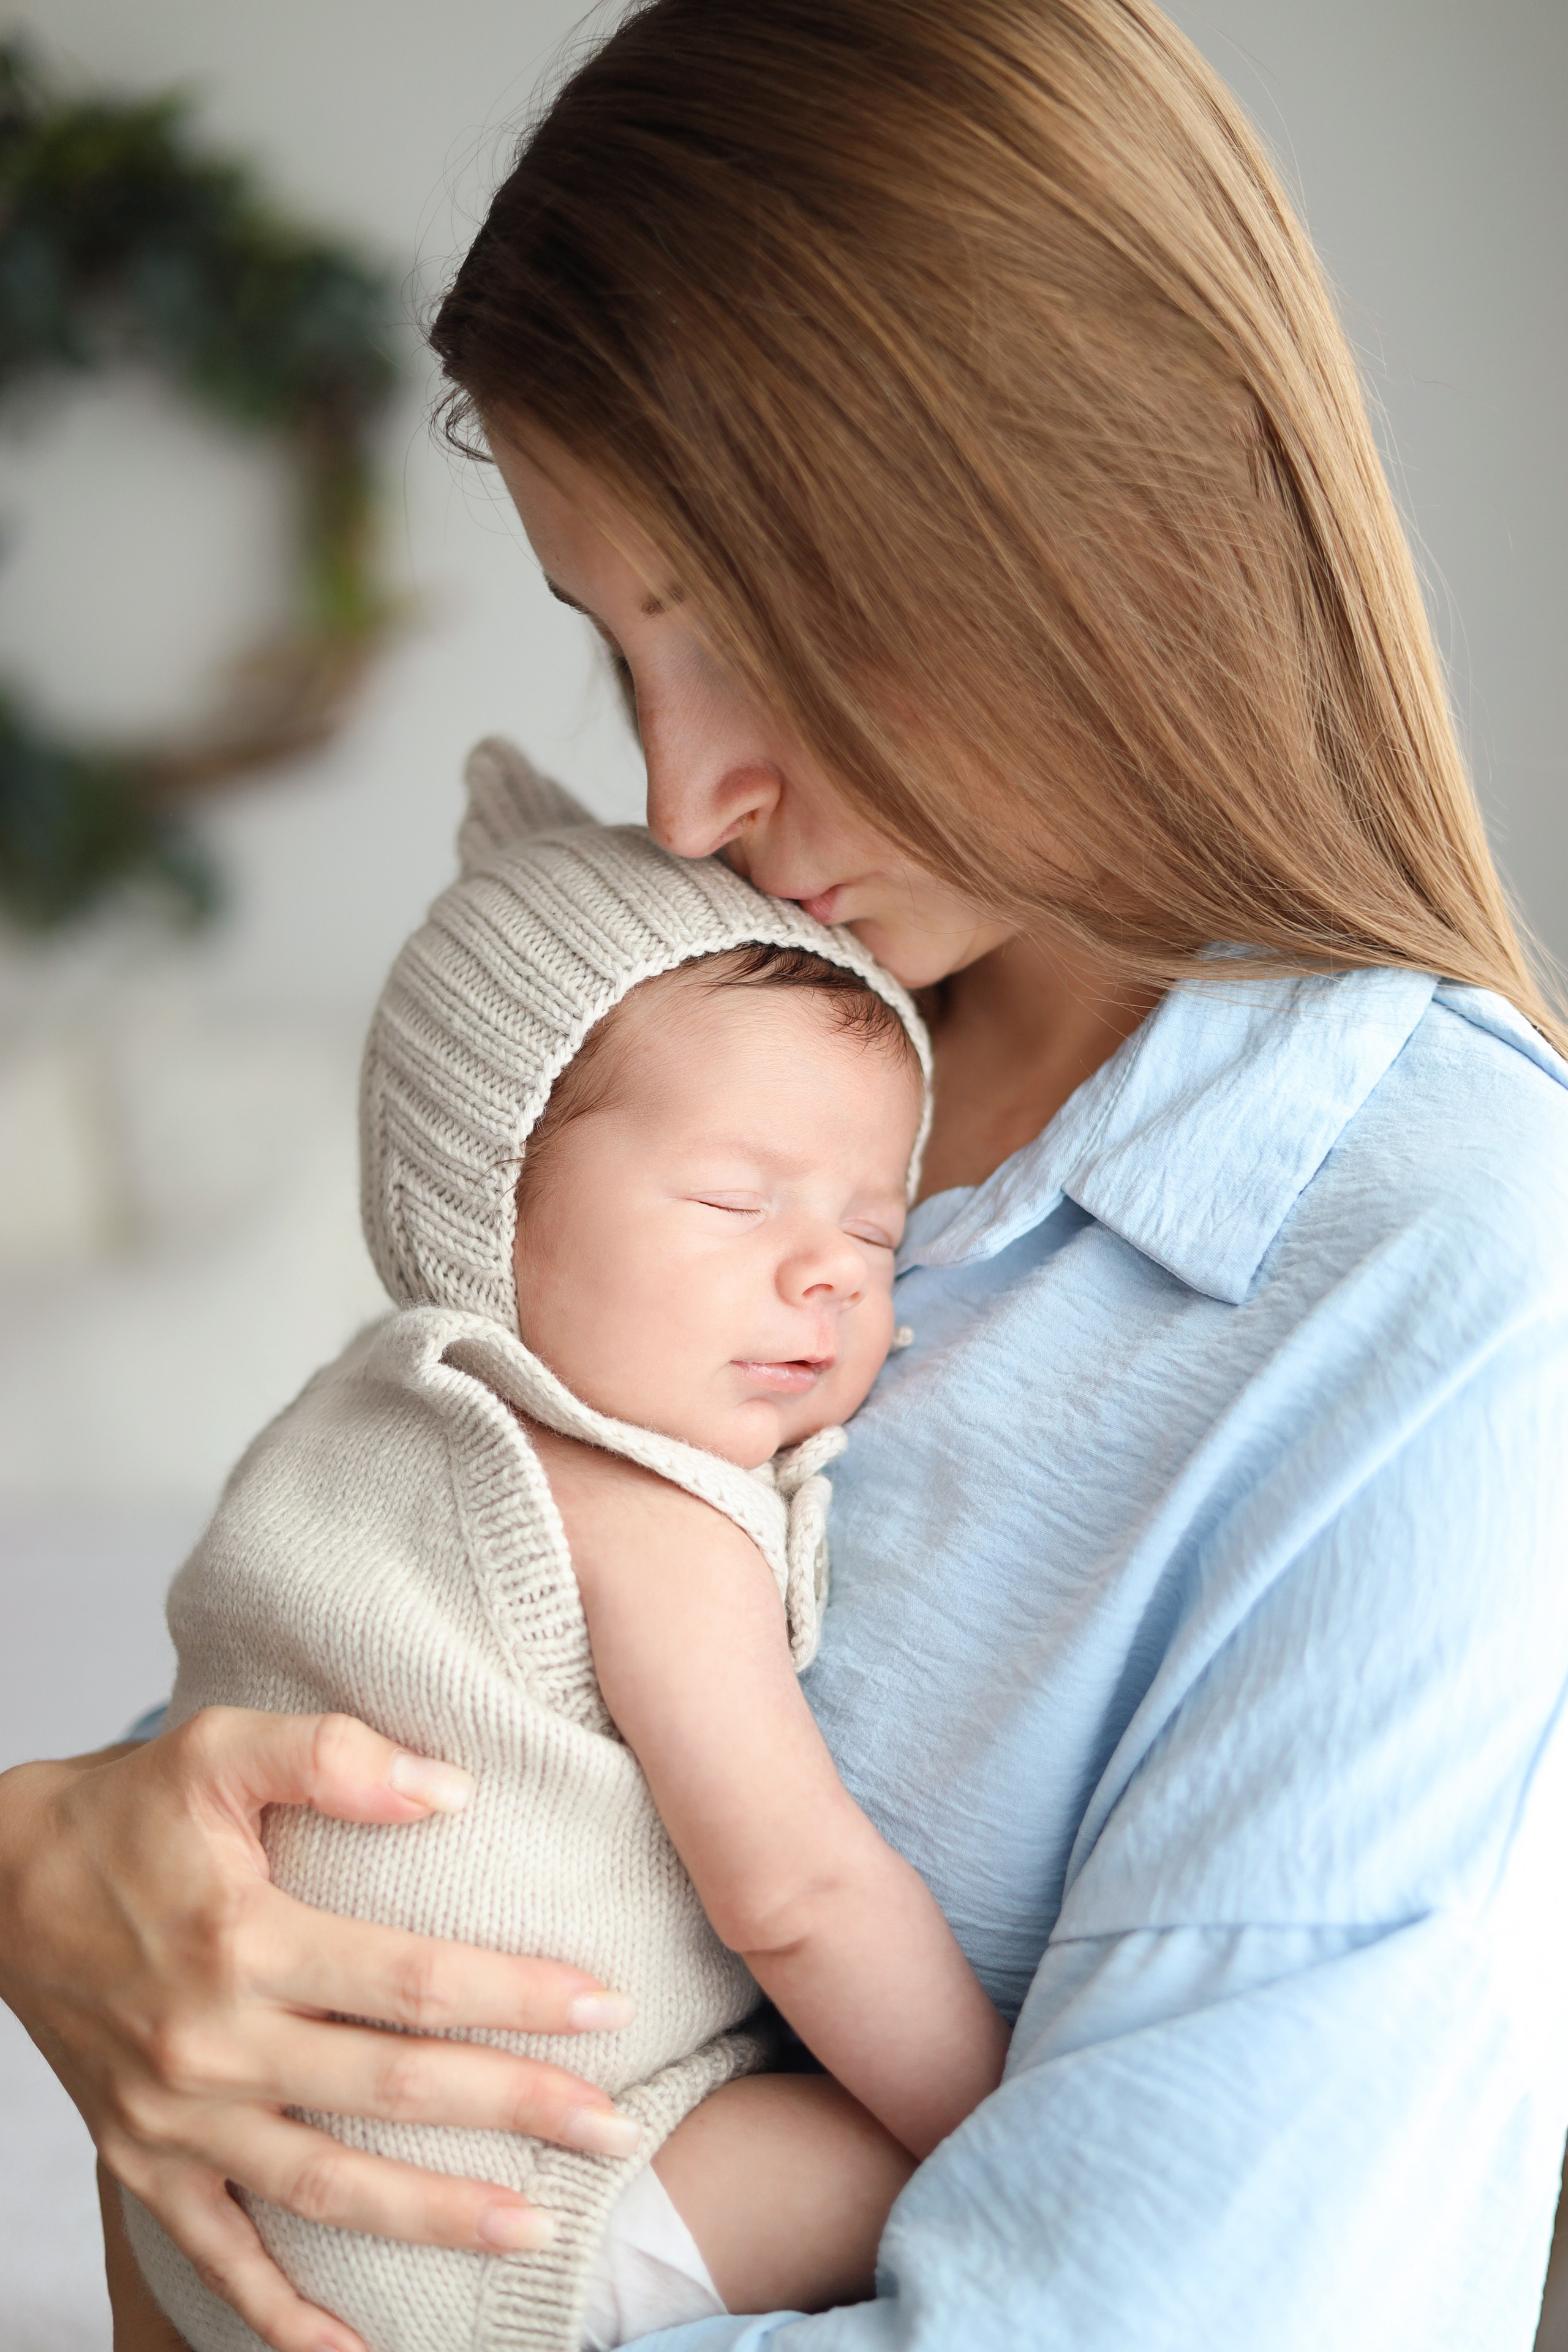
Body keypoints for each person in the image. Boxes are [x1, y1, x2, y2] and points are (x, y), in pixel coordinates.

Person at [4, 2, 1567, 2348]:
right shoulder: (747, 1051)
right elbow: (363, 1668)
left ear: (1091, 502)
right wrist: (49, 1859)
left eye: (745, 623)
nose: (682, 799)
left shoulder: (1444, 1278)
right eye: (626, 652)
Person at [118, 751, 1008, 2352]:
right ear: (487, 1209)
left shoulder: (359, 1424)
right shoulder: (639, 1514)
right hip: (476, 2205)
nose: (826, 1274)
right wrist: (1018, 2123)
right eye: (738, 1200)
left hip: (225, 2184)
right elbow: (798, 1891)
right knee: (894, 2168)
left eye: (876, 1228)